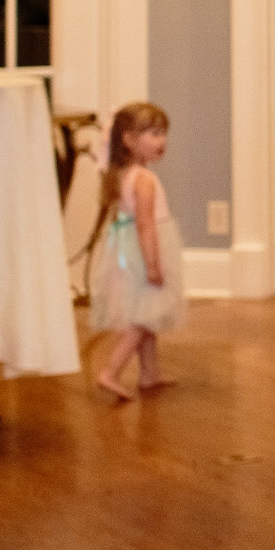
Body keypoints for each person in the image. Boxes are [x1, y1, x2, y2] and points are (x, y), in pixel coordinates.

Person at [87, 104, 184, 402]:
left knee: (148, 314)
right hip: (145, 254)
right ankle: (110, 371)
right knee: (142, 321)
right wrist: (154, 265)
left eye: (163, 134)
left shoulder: (124, 175)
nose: (161, 141)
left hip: (128, 254)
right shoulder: (144, 180)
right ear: (128, 140)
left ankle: (149, 373)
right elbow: (145, 226)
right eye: (153, 134)